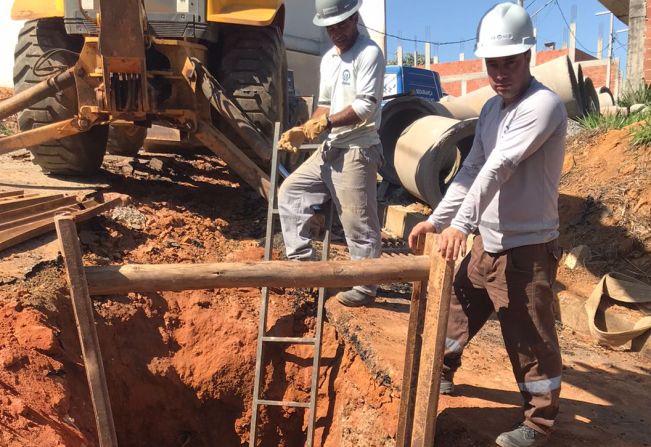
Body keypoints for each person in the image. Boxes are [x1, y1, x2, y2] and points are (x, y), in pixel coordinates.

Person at [408, 3, 567, 447]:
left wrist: (461, 224)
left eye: (509, 63)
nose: (500, 73)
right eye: (492, 64)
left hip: (526, 249)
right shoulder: (493, 111)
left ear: (529, 56)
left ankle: (538, 425)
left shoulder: (543, 106)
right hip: (488, 242)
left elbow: (500, 167)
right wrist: (437, 219)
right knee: (456, 309)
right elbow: (471, 169)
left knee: (529, 338)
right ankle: (439, 373)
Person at [276, 0, 385, 307]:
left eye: (341, 24)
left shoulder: (369, 54)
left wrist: (323, 123)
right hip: (332, 146)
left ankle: (365, 288)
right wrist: (306, 127)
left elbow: (366, 107)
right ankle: (306, 267)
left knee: (358, 222)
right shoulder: (329, 60)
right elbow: (325, 103)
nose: (336, 31)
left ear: (354, 18)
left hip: (358, 148)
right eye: (330, 26)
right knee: (291, 192)